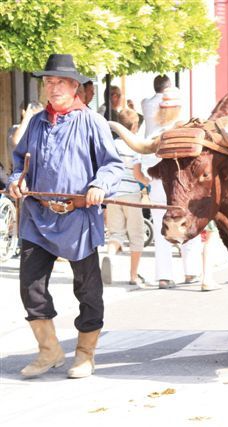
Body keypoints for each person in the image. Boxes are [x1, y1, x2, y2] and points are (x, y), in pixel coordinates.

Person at [7, 53, 124, 379]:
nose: (53, 87)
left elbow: (113, 165)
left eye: (59, 82)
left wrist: (100, 184)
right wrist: (19, 181)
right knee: (30, 286)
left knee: (88, 290)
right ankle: (49, 351)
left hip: (77, 217)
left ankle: (85, 354)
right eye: (48, 82)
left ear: (74, 86)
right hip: (36, 217)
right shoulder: (36, 122)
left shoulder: (92, 122)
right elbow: (20, 162)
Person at [140, 87, 202, 289]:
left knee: (161, 233)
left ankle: (164, 277)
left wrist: (150, 184)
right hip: (185, 191)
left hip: (159, 190)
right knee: (189, 227)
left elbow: (144, 168)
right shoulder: (188, 134)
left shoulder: (154, 134)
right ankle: (191, 271)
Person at [101, 108, 150, 287]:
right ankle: (133, 275)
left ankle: (109, 255)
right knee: (137, 235)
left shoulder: (112, 145)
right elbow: (137, 174)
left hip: (113, 194)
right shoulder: (134, 145)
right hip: (131, 195)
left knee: (116, 233)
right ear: (135, 126)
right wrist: (147, 181)